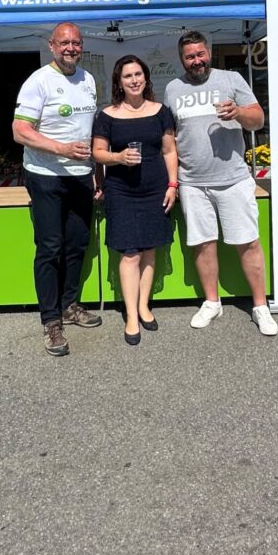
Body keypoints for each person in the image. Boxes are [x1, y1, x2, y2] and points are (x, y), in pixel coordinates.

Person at [163, 30, 278, 336]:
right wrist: (174, 180)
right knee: (203, 244)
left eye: (200, 54)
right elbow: (171, 138)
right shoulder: (173, 88)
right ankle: (212, 302)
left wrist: (238, 112)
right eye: (190, 56)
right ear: (182, 59)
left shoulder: (231, 79)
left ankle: (260, 306)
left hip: (233, 179)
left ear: (209, 53)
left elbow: (258, 119)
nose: (196, 60)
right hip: (192, 182)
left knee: (248, 242)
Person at [12, 22, 102, 358]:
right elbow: (20, 131)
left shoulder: (88, 79)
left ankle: (69, 305)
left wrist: (96, 172)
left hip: (81, 175)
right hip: (45, 176)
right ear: (52, 45)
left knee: (77, 243)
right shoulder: (38, 81)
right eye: (64, 43)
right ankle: (51, 320)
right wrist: (61, 149)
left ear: (82, 46)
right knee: (50, 248)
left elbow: (89, 130)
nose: (70, 48)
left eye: (76, 43)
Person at [92, 56, 178, 346]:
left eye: (138, 74)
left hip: (155, 189)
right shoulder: (106, 116)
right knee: (130, 253)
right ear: (119, 82)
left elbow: (169, 151)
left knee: (149, 250)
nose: (134, 80)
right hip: (121, 191)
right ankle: (131, 315)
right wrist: (118, 157)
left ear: (146, 77)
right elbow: (97, 153)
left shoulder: (161, 112)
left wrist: (173, 184)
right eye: (127, 76)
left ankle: (144, 306)